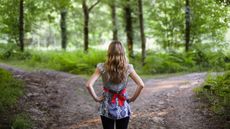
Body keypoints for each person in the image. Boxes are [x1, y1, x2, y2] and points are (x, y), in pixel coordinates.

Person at [85, 40, 144, 129]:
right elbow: (141, 85)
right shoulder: (128, 67)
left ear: (109, 53)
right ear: (123, 53)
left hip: (106, 106)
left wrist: (96, 98)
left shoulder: (101, 67)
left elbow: (88, 85)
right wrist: (132, 99)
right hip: (123, 105)